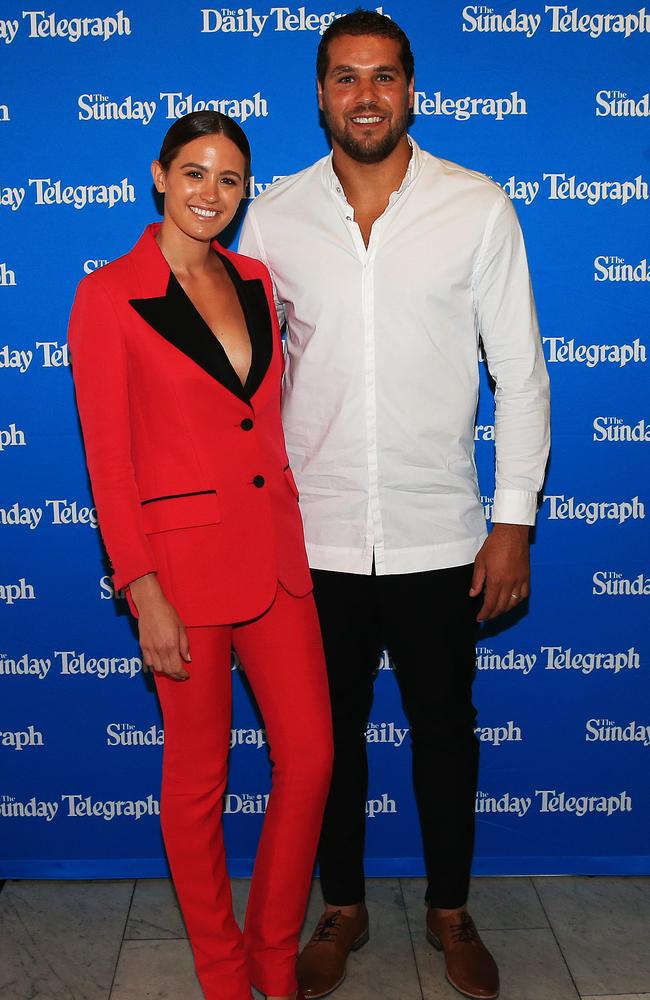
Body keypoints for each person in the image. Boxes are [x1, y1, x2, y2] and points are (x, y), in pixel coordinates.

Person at [239, 10, 550, 999]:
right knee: (323, 739)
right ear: (319, 93)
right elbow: (247, 383)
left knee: (444, 733)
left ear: (410, 89)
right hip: (314, 535)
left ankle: (450, 910)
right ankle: (342, 905)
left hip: (438, 532)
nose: (363, 93)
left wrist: (511, 522)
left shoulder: (475, 205)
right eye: (343, 76)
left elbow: (522, 372)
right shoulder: (274, 214)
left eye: (382, 75)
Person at [68, 111, 333, 1000]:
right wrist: (143, 590)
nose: (210, 194)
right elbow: (109, 457)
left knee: (312, 756)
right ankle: (222, 968)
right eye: (194, 173)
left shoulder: (256, 278)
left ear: (244, 190)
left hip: (275, 560)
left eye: (228, 179)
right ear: (159, 175)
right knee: (198, 777)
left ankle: (272, 950)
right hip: (180, 575)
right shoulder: (109, 295)